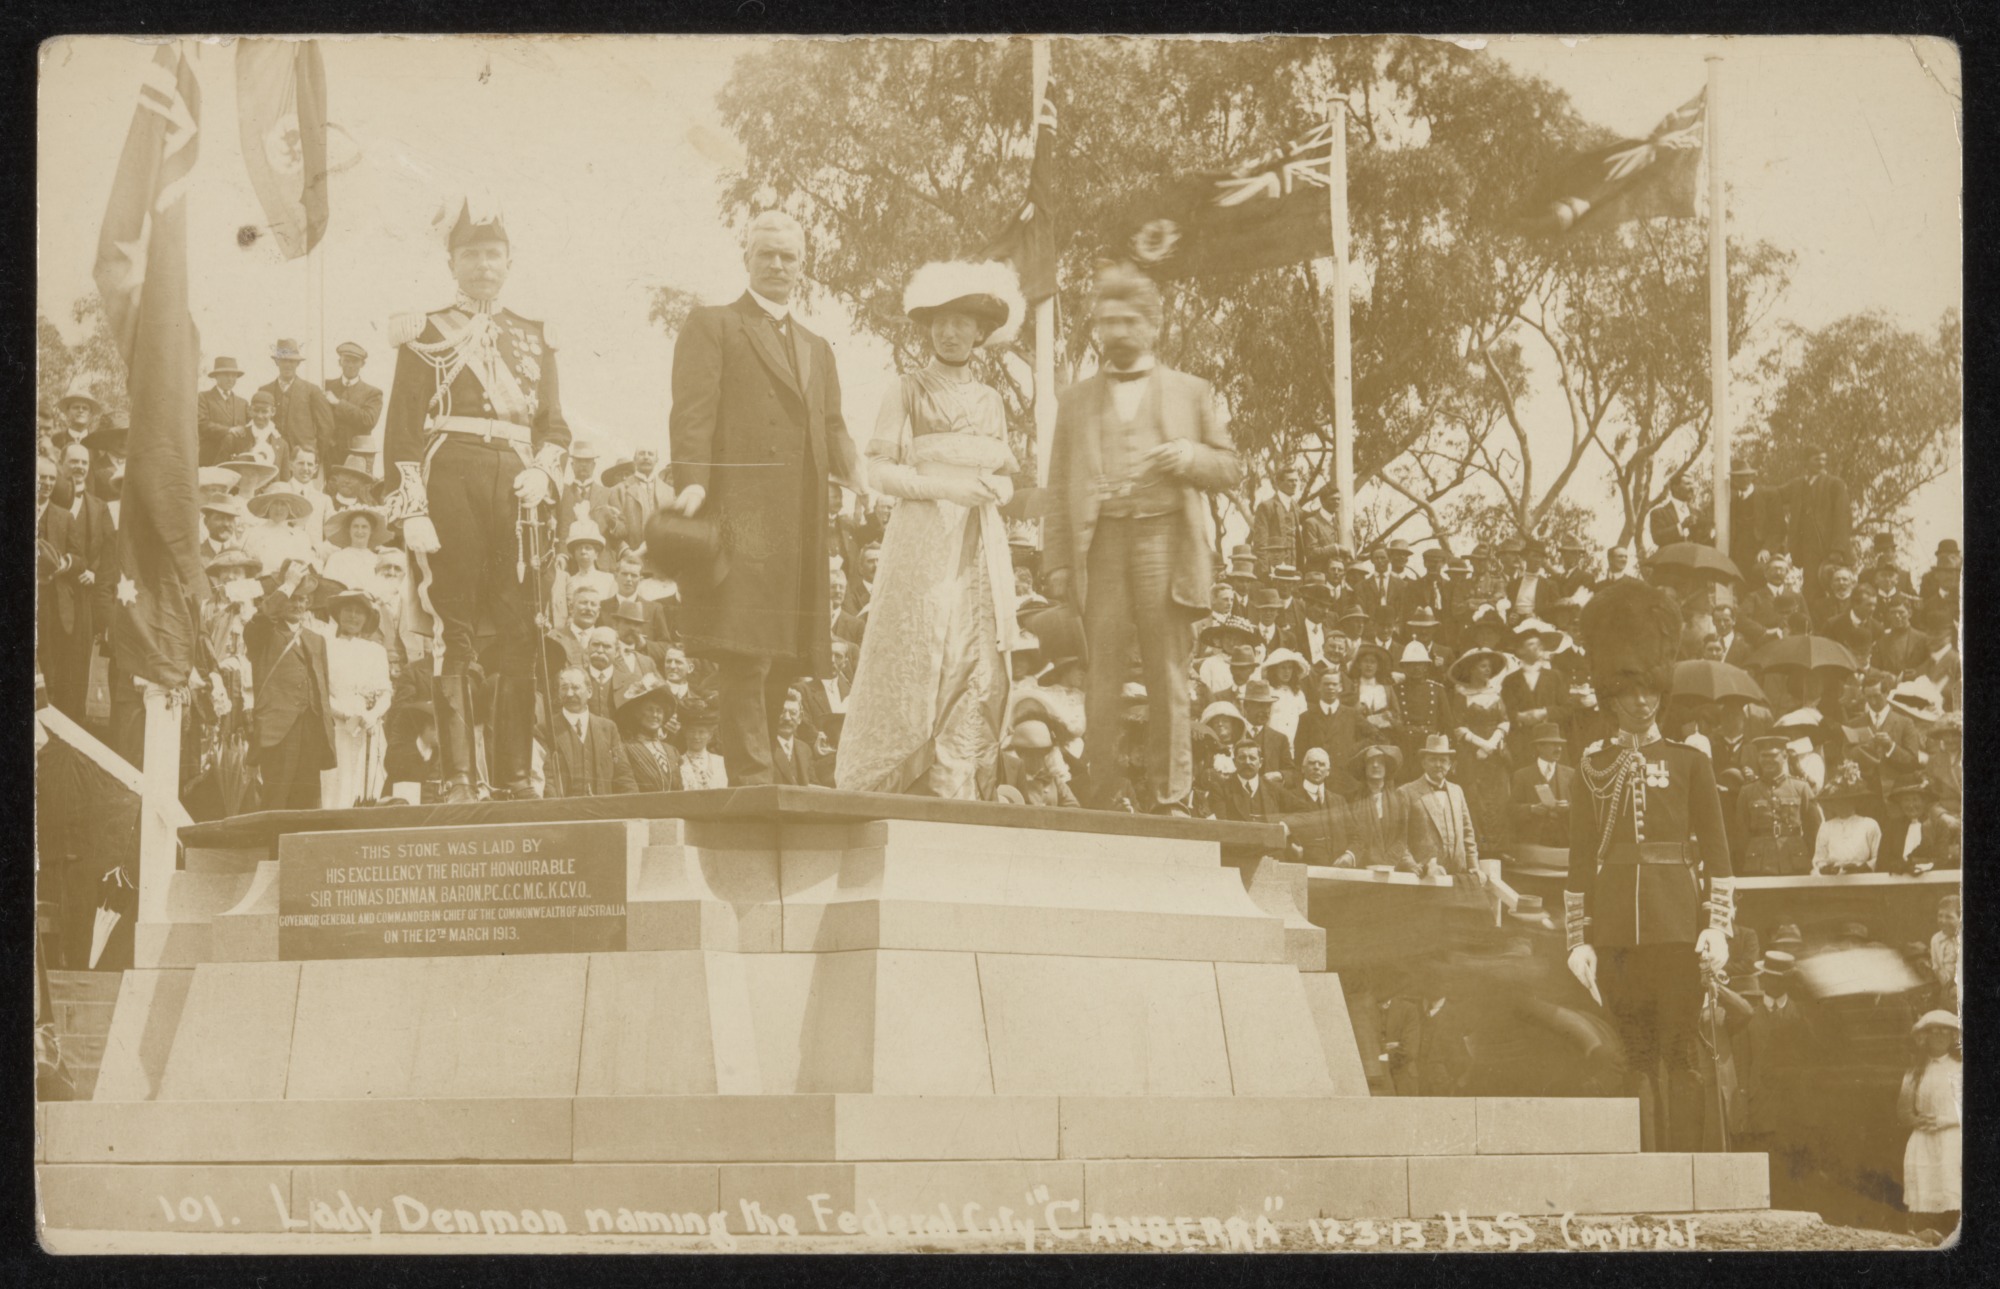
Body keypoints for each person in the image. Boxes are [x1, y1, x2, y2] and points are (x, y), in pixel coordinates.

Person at [660, 210, 859, 787]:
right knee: (743, 647)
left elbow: (833, 425)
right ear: (746, 258)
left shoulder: (818, 347)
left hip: (798, 518)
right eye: (766, 253)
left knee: (785, 654)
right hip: (739, 511)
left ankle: (767, 767)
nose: (777, 265)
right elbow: (691, 411)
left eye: (788, 257)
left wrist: (864, 477)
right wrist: (691, 480)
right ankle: (751, 775)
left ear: (803, 267)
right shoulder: (715, 324)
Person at [384, 196, 571, 803]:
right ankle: (459, 778)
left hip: (518, 488)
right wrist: (411, 508)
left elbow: (556, 427)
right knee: (454, 627)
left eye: (493, 254)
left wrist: (544, 472)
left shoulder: (535, 335)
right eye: (471, 255)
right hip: (450, 483)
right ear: (452, 262)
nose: (483, 265)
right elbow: (404, 428)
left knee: (520, 630)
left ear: (509, 261)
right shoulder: (425, 331)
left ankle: (517, 778)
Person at [1043, 263, 1242, 813]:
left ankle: (1171, 797)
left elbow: (1231, 468)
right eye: (1107, 322)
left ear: (1153, 326)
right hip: (1100, 545)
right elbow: (1058, 485)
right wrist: (1057, 560)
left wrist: (1189, 457)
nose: (1118, 332)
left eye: (1130, 321)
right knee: (1101, 675)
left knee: (1168, 675)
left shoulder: (1193, 391)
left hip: (1165, 542)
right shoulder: (1075, 399)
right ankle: (1101, 794)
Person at [835, 260, 1023, 798]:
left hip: (979, 538)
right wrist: (943, 489)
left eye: (962, 321)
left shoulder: (991, 399)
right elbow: (878, 471)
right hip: (922, 538)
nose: (950, 330)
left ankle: (957, 780)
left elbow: (1006, 474)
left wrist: (998, 492)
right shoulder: (907, 389)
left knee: (975, 652)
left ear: (980, 332)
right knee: (921, 647)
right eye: (940, 320)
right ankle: (902, 780)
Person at [1564, 578, 1736, 1154]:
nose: (1640, 702)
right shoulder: (1593, 765)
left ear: (1661, 694)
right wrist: (1577, 937)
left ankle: (1686, 1166)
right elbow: (1581, 859)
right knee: (1634, 1055)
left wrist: (1717, 924)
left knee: (1681, 1052)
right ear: (1611, 695)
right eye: (1628, 691)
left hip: (1678, 929)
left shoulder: (1690, 762)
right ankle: (1647, 1168)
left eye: (1649, 692)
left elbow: (1717, 854)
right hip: (1614, 933)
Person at [243, 560, 336, 810]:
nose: (297, 604)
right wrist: (288, 584)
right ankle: (272, 849)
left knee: (307, 803)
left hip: (312, 728)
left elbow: (322, 688)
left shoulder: (316, 640)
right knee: (276, 800)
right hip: (278, 730)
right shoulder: (262, 633)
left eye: (302, 599)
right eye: (292, 597)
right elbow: (262, 617)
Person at [323, 589, 393, 809]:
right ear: (338, 614)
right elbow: (322, 692)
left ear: (367, 618)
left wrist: (373, 715)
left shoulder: (375, 651)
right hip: (337, 727)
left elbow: (385, 692)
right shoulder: (325, 646)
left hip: (368, 728)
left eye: (358, 612)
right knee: (336, 783)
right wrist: (344, 713)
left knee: (367, 784)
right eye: (348, 610)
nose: (353, 616)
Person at [1896, 1011, 1961, 1236]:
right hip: (1922, 1140)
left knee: (1951, 1187)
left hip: (1953, 1139)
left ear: (1954, 1037)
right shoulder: (1915, 1071)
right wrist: (1916, 1120)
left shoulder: (1960, 1069)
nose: (1940, 1037)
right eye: (1935, 1032)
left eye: (1946, 1032)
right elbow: (1903, 1111)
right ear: (1925, 1037)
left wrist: (1947, 1121)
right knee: (1925, 1191)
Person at [1447, 648, 1513, 852]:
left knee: (1500, 799)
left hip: (1496, 755)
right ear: (1472, 670)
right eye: (1483, 666)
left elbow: (1505, 721)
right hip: (1471, 756)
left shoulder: (1495, 693)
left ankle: (1499, 849)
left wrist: (1492, 743)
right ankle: (1478, 849)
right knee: (1475, 800)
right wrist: (1480, 744)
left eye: (1489, 667)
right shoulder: (1462, 695)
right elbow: (1458, 726)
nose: (1488, 670)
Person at [1738, 734, 1819, 876]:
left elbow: (1814, 828)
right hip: (1758, 863)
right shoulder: (1747, 791)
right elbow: (1741, 832)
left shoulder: (1801, 788)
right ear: (1758, 758)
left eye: (1773, 756)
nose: (1768, 760)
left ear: (1785, 756)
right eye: (1764, 756)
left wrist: (1805, 853)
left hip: (1795, 861)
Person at [548, 666, 635, 797]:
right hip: (565, 812)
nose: (570, 693)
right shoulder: (546, 729)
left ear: (589, 692)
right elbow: (547, 781)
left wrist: (632, 810)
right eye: (564, 688)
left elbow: (623, 775)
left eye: (576, 687)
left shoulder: (608, 728)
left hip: (603, 811)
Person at [1401, 734, 1479, 878]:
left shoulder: (1457, 791)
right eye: (1433, 760)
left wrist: (1473, 865)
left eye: (1443, 760)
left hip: (1457, 876)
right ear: (1423, 763)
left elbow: (1468, 834)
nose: (1438, 765)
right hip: (1422, 878)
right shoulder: (1406, 792)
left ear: (1449, 765)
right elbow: (1398, 838)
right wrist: (1411, 865)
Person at [1783, 450, 1851, 598]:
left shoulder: (1835, 484)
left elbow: (1842, 517)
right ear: (1806, 462)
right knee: (1811, 590)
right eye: (1816, 460)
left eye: (1823, 459)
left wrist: (1837, 549)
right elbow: (1775, 495)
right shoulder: (1798, 485)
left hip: (1829, 548)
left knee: (1834, 587)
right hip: (1808, 547)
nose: (1821, 463)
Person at [1339, 744, 1416, 871]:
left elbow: (1401, 838)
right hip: (1360, 866)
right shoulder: (1351, 800)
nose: (1375, 765)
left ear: (1386, 768)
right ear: (1364, 767)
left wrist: (1387, 862)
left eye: (1380, 762)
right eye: (1370, 762)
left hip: (1392, 867)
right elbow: (1352, 835)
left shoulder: (1399, 800)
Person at [259, 338, 337, 466]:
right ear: (277, 362)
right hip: (272, 458)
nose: (287, 365)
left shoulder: (311, 390)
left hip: (302, 459)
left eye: (292, 361)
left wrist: (315, 455)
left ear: (298, 363)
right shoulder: (265, 390)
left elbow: (326, 427)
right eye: (284, 360)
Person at [1511, 724, 1576, 851]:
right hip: (1534, 842)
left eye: (1560, 745)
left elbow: (1583, 808)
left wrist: (1568, 807)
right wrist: (1531, 809)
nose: (1559, 749)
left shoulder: (1571, 774)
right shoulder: (1522, 775)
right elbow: (1510, 810)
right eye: (1553, 744)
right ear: (1539, 747)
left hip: (1565, 841)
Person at [613, 676, 682, 794]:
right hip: (642, 811)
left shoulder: (672, 751)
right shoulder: (625, 748)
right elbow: (627, 786)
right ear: (637, 714)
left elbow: (680, 789)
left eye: (659, 711)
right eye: (649, 710)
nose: (655, 715)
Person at [327, 341, 385, 469]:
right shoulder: (327, 386)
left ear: (362, 364)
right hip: (330, 454)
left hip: (358, 454)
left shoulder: (372, 392)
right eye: (346, 361)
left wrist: (338, 403)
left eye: (355, 361)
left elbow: (368, 419)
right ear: (339, 362)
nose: (350, 365)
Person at [998, 719, 1079, 808]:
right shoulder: (1011, 780)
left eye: (1041, 753)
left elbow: (1073, 807)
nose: (1037, 759)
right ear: (1020, 753)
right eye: (1031, 754)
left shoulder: (1053, 781)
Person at [1810, 774, 1880, 874]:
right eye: (1837, 801)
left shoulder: (1869, 824)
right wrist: (1827, 868)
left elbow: (1878, 857)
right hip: (1833, 878)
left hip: (1862, 877)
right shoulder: (1826, 827)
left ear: (1855, 801)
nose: (1842, 805)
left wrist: (1861, 868)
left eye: (1846, 800)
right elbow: (1819, 859)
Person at [197, 356, 252, 466]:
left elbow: (252, 426)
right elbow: (201, 424)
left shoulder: (243, 403)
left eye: (234, 375)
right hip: (211, 459)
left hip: (238, 462)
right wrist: (229, 430)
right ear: (216, 376)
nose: (231, 379)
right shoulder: (203, 397)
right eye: (226, 375)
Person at [322, 506, 388, 595]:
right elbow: (329, 589)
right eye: (355, 526)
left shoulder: (378, 560)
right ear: (349, 530)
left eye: (364, 527)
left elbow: (384, 589)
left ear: (371, 531)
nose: (359, 531)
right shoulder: (336, 558)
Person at [675, 699, 728, 790]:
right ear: (685, 733)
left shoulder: (721, 763)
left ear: (710, 735)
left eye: (702, 732)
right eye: (692, 731)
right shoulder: (677, 764)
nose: (696, 737)